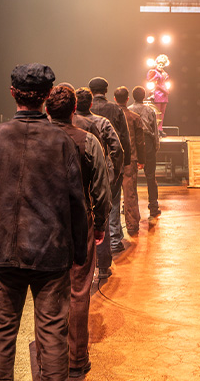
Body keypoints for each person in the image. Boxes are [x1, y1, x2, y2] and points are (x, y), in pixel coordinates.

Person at [0, 63, 88, 381]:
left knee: (1, 336)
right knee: (53, 335)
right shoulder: (61, 142)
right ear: (47, 95)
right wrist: (79, 252)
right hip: (51, 255)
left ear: (13, 93)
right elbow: (76, 202)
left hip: (2, 253)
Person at [45, 84, 111, 380]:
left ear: (47, 109)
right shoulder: (88, 140)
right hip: (78, 221)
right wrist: (100, 224)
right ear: (74, 110)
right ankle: (76, 359)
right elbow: (101, 189)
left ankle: (49, 359)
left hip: (42, 223)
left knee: (47, 291)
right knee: (79, 290)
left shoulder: (35, 139)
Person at [72, 86, 123, 282]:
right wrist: (113, 174)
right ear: (91, 103)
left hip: (75, 179)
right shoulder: (102, 122)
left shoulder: (68, 123)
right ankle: (102, 266)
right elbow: (117, 149)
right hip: (97, 175)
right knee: (101, 216)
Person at [89, 77, 132, 253]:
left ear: (91, 91)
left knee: (92, 202)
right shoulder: (115, 109)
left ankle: (94, 242)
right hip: (111, 162)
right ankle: (114, 240)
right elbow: (124, 139)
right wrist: (124, 163)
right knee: (113, 201)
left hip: (89, 161)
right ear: (106, 91)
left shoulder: (86, 109)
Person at [115, 86, 146, 235]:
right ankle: (132, 225)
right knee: (130, 193)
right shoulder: (135, 117)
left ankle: (113, 228)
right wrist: (142, 160)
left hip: (113, 160)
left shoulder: (110, 117)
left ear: (115, 99)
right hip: (130, 159)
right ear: (128, 99)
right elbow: (140, 142)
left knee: (112, 195)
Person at [128, 86, 161, 218]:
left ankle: (127, 206)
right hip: (147, 143)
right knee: (151, 176)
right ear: (144, 96)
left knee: (131, 177)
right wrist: (156, 146)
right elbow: (155, 131)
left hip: (133, 143)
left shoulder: (128, 110)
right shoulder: (150, 110)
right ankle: (153, 206)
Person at [146, 55, 170, 132]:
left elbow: (165, 83)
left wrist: (165, 90)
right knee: (157, 112)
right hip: (157, 93)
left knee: (162, 112)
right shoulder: (154, 72)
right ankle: (156, 129)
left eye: (162, 65)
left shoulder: (164, 73)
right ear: (156, 64)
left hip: (164, 94)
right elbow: (154, 84)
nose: (160, 66)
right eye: (159, 64)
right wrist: (164, 90)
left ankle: (160, 128)